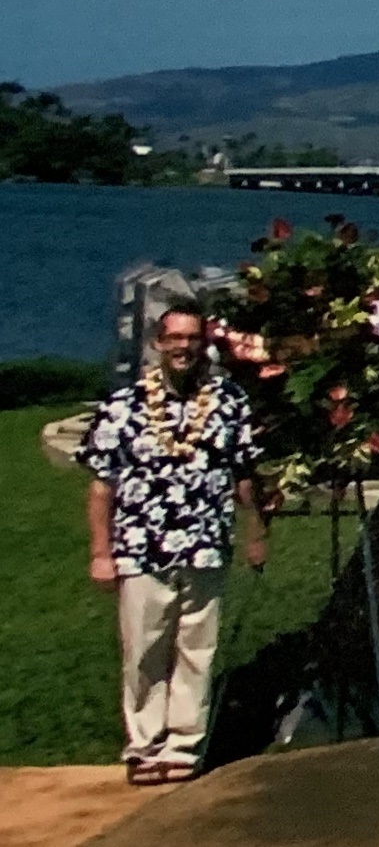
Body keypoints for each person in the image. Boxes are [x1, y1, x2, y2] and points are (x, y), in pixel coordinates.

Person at [82, 300, 264, 786]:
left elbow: (244, 473)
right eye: (175, 338)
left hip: (206, 543)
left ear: (205, 343)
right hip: (142, 547)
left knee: (195, 648)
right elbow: (103, 486)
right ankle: (144, 745)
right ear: (159, 344)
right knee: (144, 648)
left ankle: (184, 744)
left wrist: (257, 531)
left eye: (192, 338)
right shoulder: (124, 406)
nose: (184, 347)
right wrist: (101, 552)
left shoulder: (229, 402)